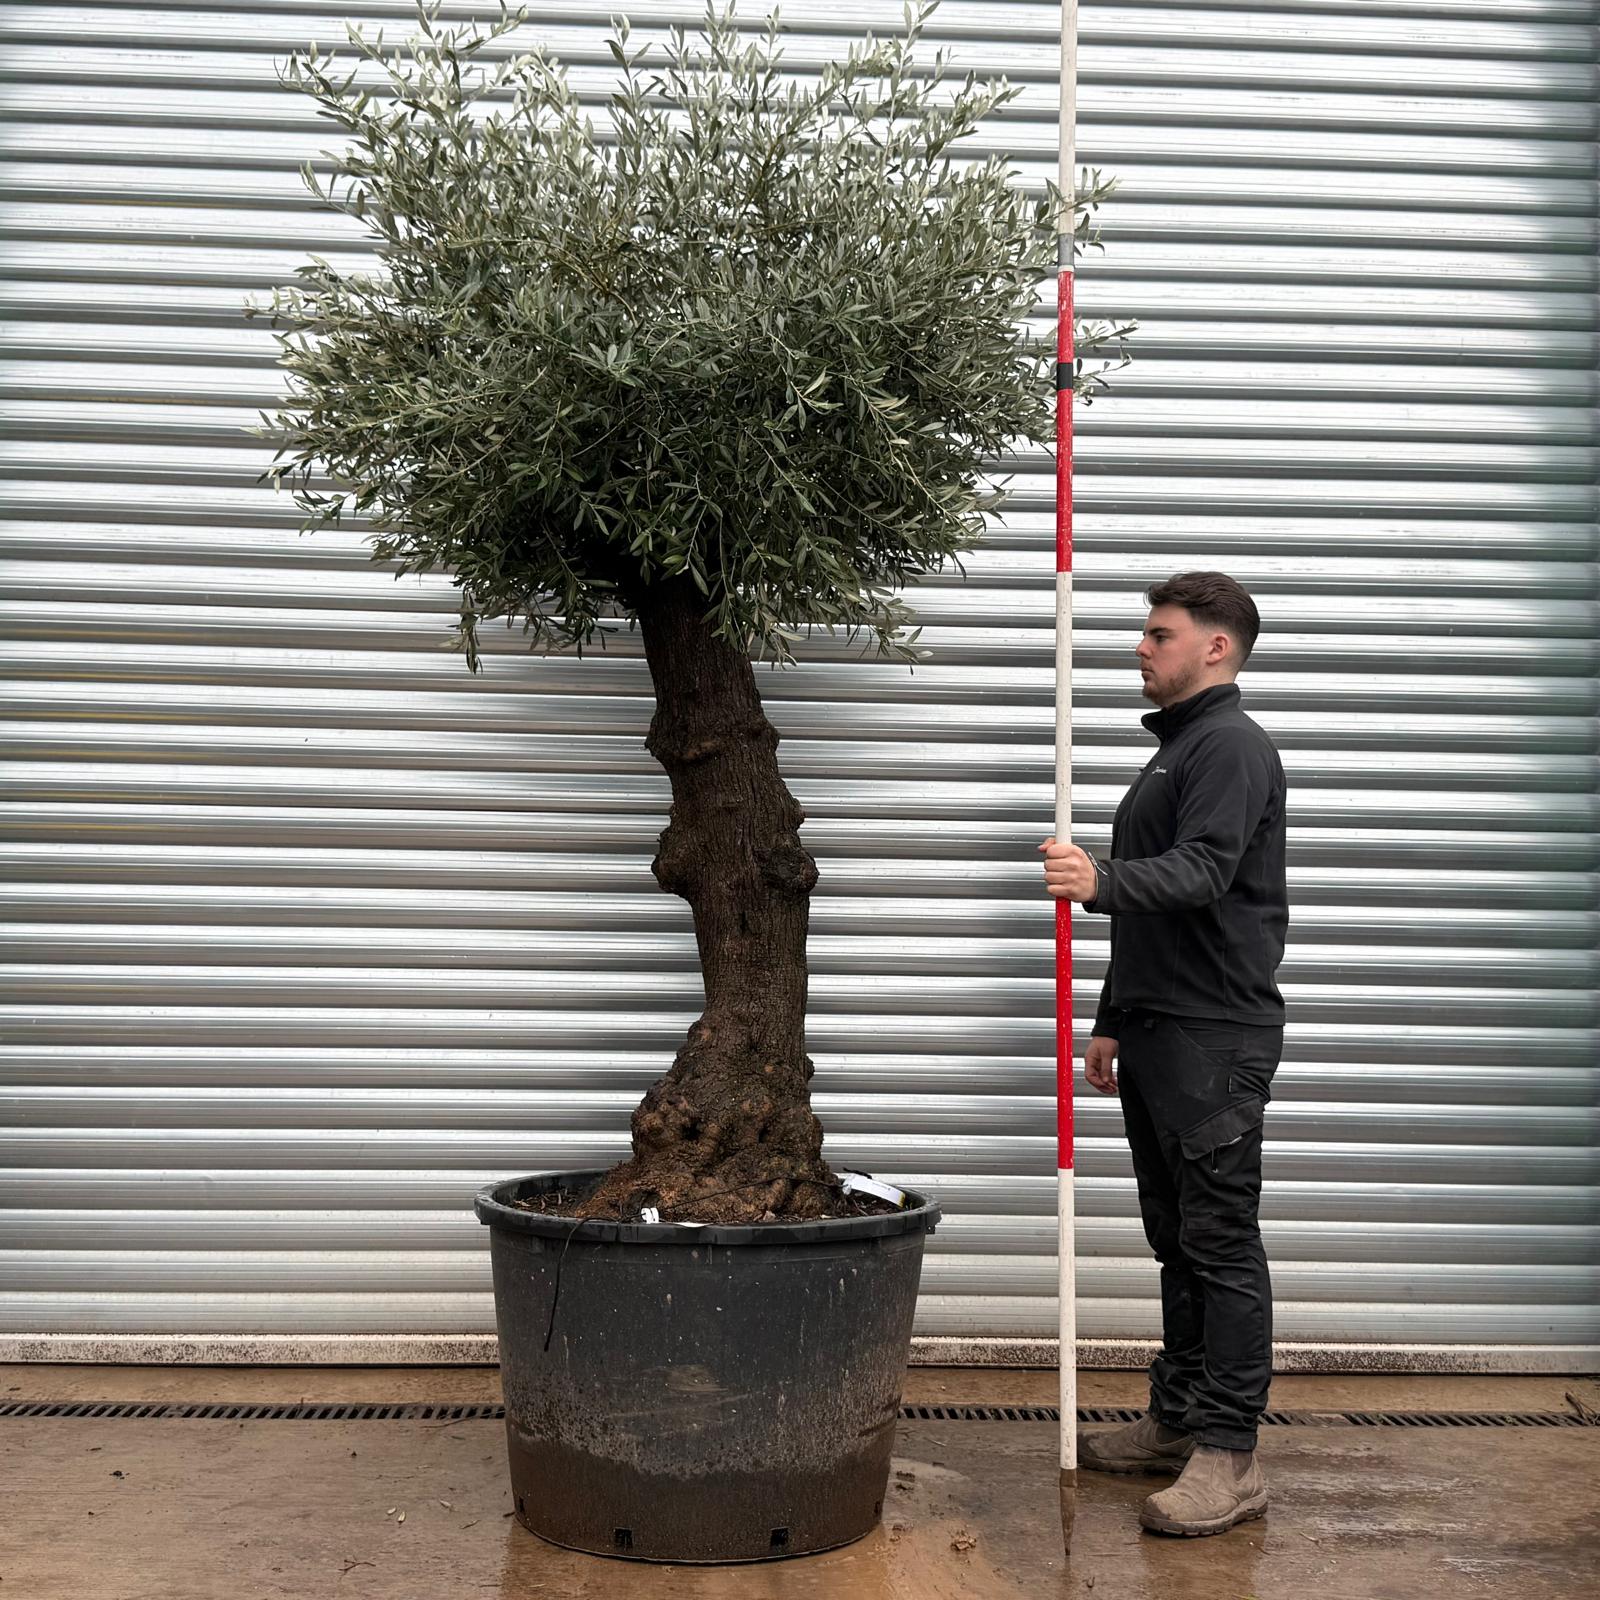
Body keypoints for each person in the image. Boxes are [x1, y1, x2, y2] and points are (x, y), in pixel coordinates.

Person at [1039, 570, 1289, 1538]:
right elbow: (1155, 916)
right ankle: (1176, 1423)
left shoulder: (1228, 748)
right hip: (1154, 1033)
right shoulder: (1176, 755)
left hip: (1211, 1040)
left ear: (1215, 648)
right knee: (1175, 1240)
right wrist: (1110, 1016)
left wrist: (1098, 878)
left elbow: (1201, 873)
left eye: (1158, 633)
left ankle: (1229, 1456)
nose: (1140, 647)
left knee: (1220, 1246)